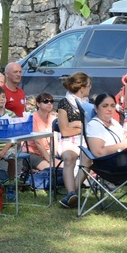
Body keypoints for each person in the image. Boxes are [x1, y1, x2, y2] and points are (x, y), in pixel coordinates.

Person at [57, 72, 92, 209]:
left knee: (89, 159)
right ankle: (71, 193)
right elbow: (65, 130)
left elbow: (92, 127)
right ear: (82, 88)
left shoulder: (89, 105)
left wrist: (76, 124)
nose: (90, 88)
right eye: (89, 85)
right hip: (69, 139)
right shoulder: (64, 103)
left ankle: (71, 195)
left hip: (86, 139)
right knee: (69, 158)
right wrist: (81, 126)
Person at [22, 92, 56, 171]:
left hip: (48, 152)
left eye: (51, 101)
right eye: (45, 101)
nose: (49, 103)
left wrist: (53, 156)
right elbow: (37, 142)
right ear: (38, 104)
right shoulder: (32, 118)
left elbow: (55, 140)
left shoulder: (53, 118)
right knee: (50, 169)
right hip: (32, 153)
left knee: (62, 167)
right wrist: (49, 159)